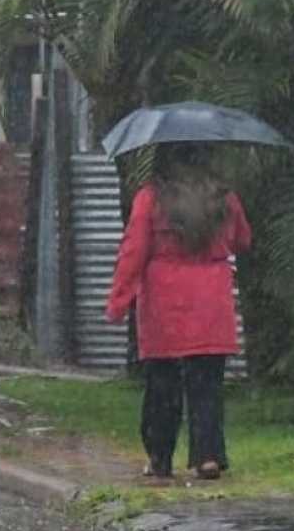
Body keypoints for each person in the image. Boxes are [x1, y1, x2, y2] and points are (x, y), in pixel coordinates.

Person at [105, 145, 252, 480]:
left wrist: (118, 301)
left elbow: (134, 251)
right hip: (211, 301)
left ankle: (160, 459)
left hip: (165, 303)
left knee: (162, 385)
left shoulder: (150, 198)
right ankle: (208, 455)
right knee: (207, 385)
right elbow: (242, 239)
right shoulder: (224, 198)